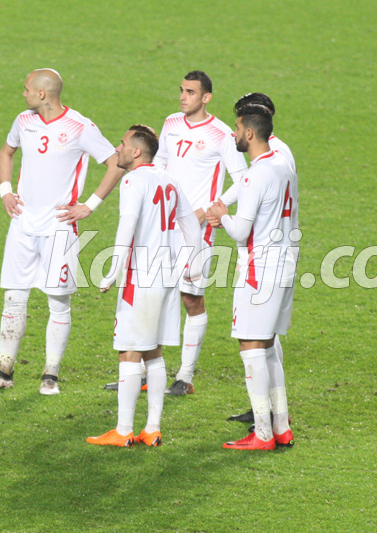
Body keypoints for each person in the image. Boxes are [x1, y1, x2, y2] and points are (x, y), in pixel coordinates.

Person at [0, 68, 124, 395]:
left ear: (42, 93)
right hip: (22, 224)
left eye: (26, 89)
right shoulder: (23, 121)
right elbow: (6, 151)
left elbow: (115, 162)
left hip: (59, 228)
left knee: (57, 301)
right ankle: (3, 371)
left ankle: (50, 375)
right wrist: (5, 190)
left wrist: (90, 205)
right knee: (13, 297)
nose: (22, 94)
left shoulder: (80, 127)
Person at [86, 126, 202, 447]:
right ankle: (152, 429)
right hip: (166, 275)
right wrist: (192, 264)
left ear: (136, 151)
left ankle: (123, 431)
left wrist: (113, 270)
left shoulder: (133, 180)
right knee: (154, 352)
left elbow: (128, 224)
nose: (118, 147)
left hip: (141, 276)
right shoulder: (169, 179)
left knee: (129, 351)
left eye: (122, 143)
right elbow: (191, 224)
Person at [206, 103, 298, 450]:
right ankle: (281, 426)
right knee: (269, 346)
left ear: (248, 132)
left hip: (260, 269)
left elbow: (240, 231)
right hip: (285, 263)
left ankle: (261, 434)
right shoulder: (283, 163)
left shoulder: (255, 173)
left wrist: (220, 215)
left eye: (236, 128)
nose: (232, 133)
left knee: (250, 346)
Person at [152, 70, 248, 396]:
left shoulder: (222, 134)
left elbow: (243, 179)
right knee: (153, 293)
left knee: (191, 298)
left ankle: (185, 377)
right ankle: (142, 372)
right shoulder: (170, 123)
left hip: (197, 231)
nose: (183, 97)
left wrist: (208, 212)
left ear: (206, 98)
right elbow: (160, 165)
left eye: (190, 92)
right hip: (164, 225)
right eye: (181, 90)